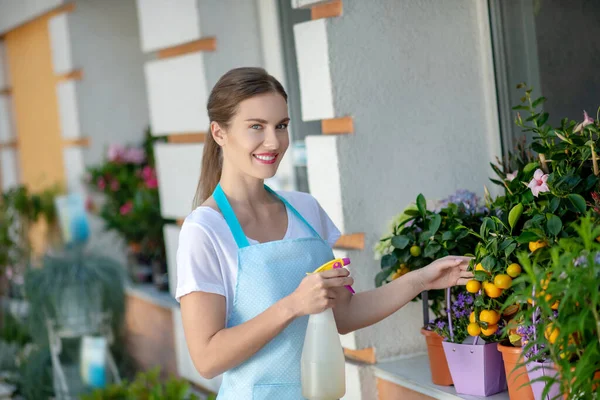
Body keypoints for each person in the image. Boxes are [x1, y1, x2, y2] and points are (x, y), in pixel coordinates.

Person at [176, 67, 473, 399]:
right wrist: (292, 305)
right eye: (256, 127)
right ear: (219, 133)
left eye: (281, 126)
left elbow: (342, 315)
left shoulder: (306, 210)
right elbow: (207, 359)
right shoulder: (205, 230)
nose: (273, 142)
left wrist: (421, 280)